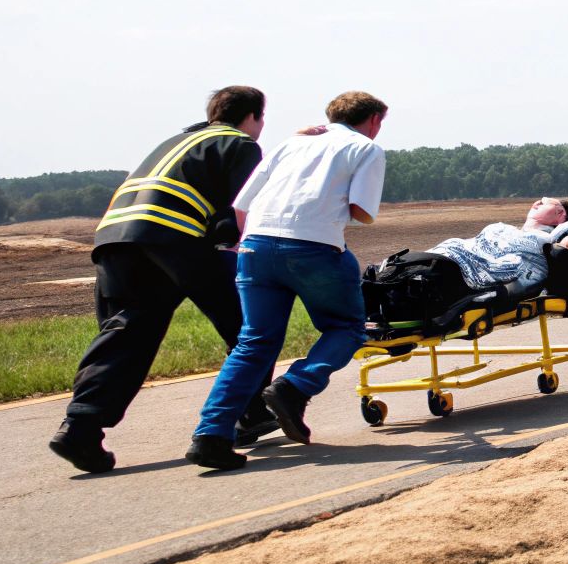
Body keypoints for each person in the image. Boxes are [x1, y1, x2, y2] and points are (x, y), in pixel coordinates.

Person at [50, 86, 278, 474]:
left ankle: (80, 427)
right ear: (254, 116)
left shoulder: (177, 140)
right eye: (261, 119)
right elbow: (237, 214)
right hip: (176, 237)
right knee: (251, 327)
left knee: (127, 330)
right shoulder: (240, 144)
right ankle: (244, 415)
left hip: (115, 238)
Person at [187, 91, 388, 470]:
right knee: (346, 327)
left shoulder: (292, 143)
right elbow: (362, 212)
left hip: (255, 248)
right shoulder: (366, 148)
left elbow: (242, 203)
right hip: (314, 249)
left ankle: (210, 435)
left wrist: (251, 244)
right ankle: (294, 388)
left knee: (254, 342)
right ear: (375, 119)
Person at [428, 198, 568, 292]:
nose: (537, 202)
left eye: (546, 201)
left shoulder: (547, 239)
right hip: (442, 257)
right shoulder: (506, 229)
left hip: (463, 272)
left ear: (560, 214)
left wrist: (566, 241)